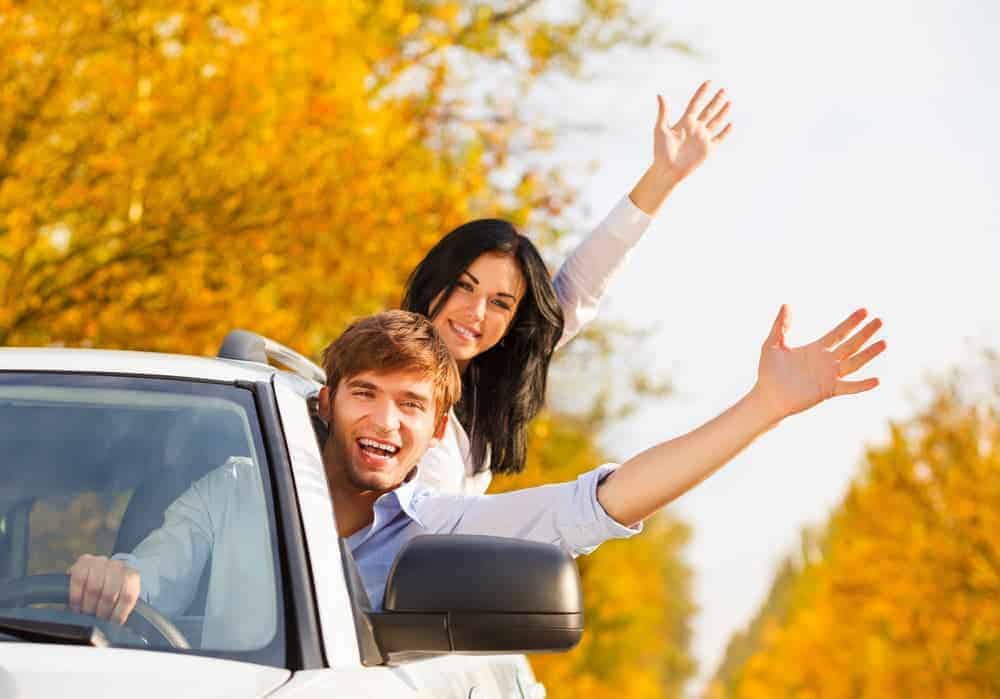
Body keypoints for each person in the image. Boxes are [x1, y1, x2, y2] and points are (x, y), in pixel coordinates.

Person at [69, 305, 885, 629]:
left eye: (411, 406)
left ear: (433, 432)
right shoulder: (236, 493)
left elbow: (594, 504)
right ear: (327, 401)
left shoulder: (436, 529)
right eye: (366, 393)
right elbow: (152, 574)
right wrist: (117, 579)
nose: (385, 420)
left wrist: (764, 407)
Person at [403, 80, 734, 495]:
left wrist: (662, 178)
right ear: (436, 282)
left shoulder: (480, 399)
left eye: (501, 303)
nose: (477, 312)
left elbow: (581, 285)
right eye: (465, 287)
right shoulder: (385, 379)